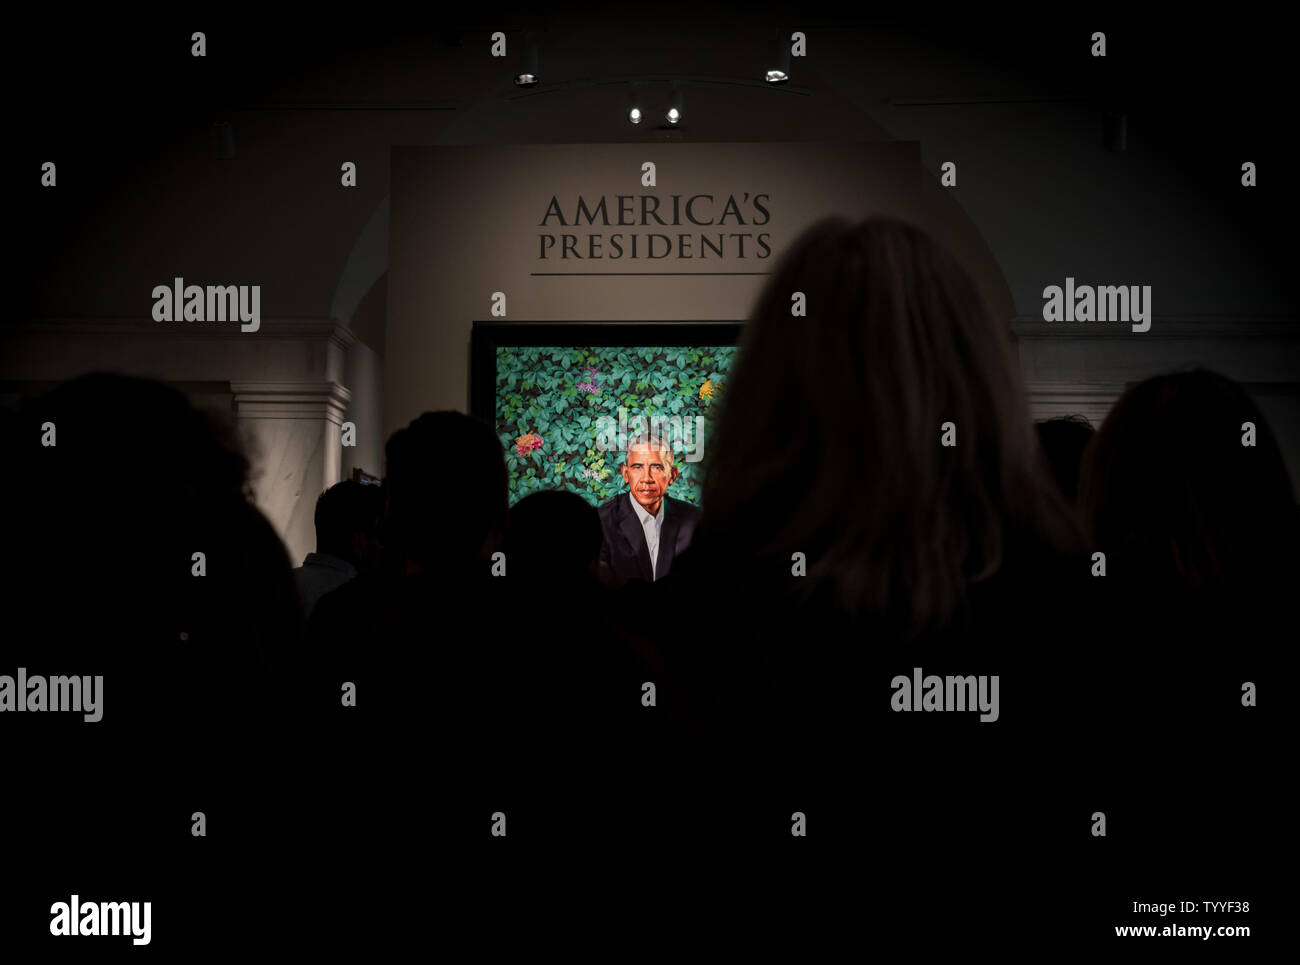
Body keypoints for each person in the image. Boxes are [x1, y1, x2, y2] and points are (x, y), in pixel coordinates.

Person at [596, 434, 702, 586]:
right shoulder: (602, 521)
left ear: (672, 475)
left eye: (657, 467)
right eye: (637, 467)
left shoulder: (694, 520)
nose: (646, 478)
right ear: (626, 474)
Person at [292, 479, 383, 619]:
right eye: (379, 537)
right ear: (358, 540)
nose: (381, 547)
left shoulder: (277, 585)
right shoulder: (364, 605)